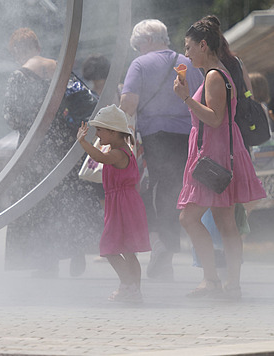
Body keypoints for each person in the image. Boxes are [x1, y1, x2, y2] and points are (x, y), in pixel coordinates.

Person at [172, 15, 266, 300]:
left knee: (188, 218)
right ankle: (229, 284)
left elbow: (214, 119)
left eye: (189, 48)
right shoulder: (220, 71)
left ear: (203, 45)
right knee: (225, 223)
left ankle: (212, 279)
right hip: (221, 152)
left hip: (213, 154)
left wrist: (186, 98)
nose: (186, 55)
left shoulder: (214, 75)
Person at [3, 28, 102, 278]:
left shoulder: (19, 76)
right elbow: (88, 103)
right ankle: (74, 248)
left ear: (17, 50)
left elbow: (13, 117)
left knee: (37, 203)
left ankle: (46, 263)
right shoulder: (60, 68)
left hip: (35, 150)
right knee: (67, 200)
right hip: (67, 146)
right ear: (37, 46)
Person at [120, 19, 204, 281]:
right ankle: (166, 248)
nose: (137, 50)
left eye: (137, 45)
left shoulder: (140, 64)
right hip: (187, 136)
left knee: (150, 190)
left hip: (154, 136)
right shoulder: (188, 62)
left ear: (146, 41)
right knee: (175, 192)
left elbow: (128, 104)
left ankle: (161, 245)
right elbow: (202, 96)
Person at [77, 105, 151, 302]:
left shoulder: (118, 153)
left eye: (100, 130)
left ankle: (128, 285)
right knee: (127, 250)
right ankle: (133, 290)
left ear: (113, 131)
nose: (97, 133)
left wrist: (82, 142)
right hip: (126, 203)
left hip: (122, 205)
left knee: (109, 247)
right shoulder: (123, 149)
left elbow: (99, 157)